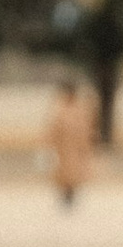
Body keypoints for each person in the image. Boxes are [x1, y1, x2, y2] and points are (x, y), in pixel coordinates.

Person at [44, 75, 99, 206]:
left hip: (76, 149)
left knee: (74, 172)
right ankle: (65, 194)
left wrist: (88, 145)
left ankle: (72, 193)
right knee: (64, 173)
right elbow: (53, 130)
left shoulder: (80, 109)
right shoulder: (60, 109)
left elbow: (88, 129)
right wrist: (49, 147)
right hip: (63, 149)